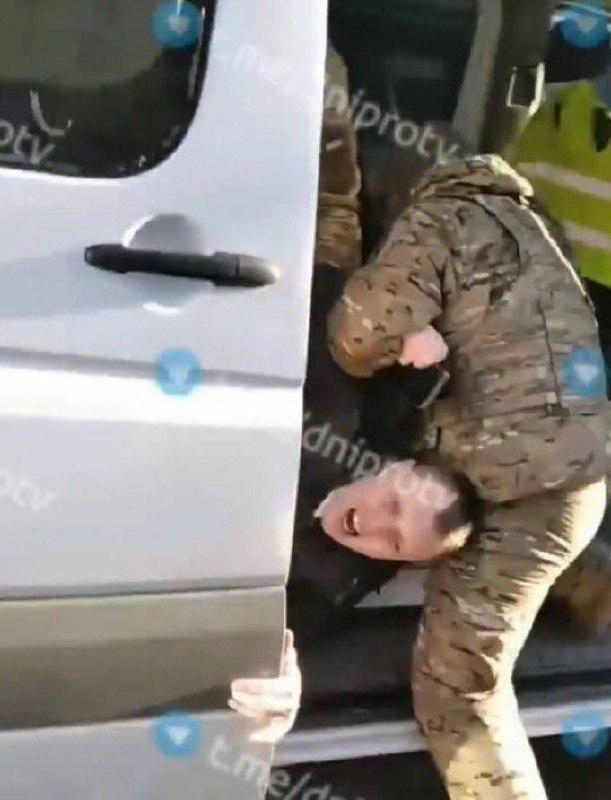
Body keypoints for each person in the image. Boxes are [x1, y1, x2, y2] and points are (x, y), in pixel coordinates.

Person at [327, 154, 608, 800]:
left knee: (458, 694)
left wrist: (394, 325)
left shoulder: (436, 219)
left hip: (517, 482)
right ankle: (597, 591)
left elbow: (355, 340)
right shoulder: (537, 228)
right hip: (573, 481)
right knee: (514, 546)